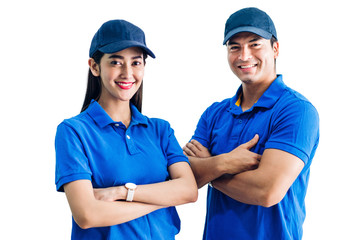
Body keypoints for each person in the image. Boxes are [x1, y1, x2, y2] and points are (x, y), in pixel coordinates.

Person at [183, 7, 319, 240]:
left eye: (255, 44)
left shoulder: (296, 110)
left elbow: (266, 191)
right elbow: (185, 181)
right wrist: (225, 162)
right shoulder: (214, 113)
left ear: (275, 48)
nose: (244, 56)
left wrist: (209, 166)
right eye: (234, 47)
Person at [55, 19, 198, 239]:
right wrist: (163, 199)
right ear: (94, 66)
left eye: (136, 63)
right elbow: (87, 214)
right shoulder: (73, 132)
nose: (127, 73)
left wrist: (123, 193)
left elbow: (189, 190)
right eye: (115, 62)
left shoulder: (160, 130)